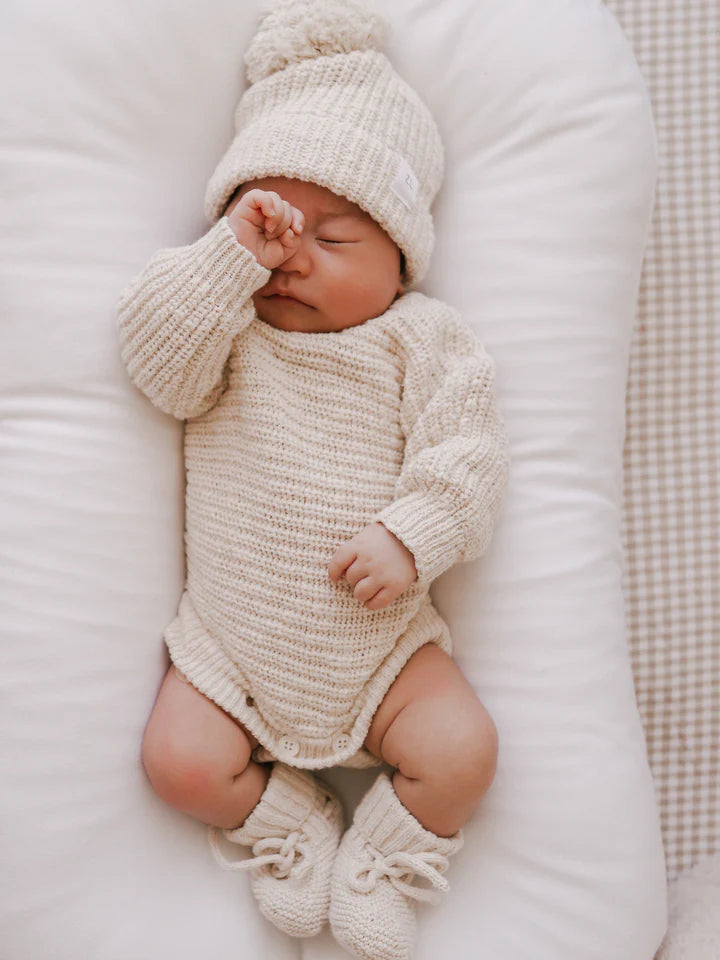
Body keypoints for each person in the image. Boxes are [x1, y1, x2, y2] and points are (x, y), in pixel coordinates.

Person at [117, 1, 509, 957]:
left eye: (332, 241)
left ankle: (383, 855)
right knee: (177, 763)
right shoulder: (226, 329)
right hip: (229, 653)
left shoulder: (421, 337)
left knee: (463, 754)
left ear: (401, 257)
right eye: (273, 233)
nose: (292, 261)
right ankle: (289, 823)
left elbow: (471, 455)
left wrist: (413, 533)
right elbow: (153, 363)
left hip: (383, 651)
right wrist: (226, 263)